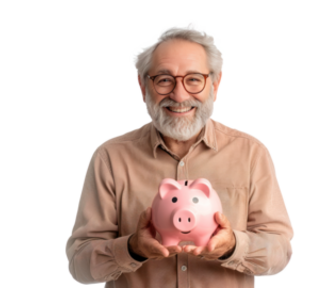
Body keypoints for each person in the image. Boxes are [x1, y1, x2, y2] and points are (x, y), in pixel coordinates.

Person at [64, 20, 295, 287]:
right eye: (164, 80)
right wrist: (132, 249)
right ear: (142, 86)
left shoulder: (252, 153)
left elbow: (281, 253)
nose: (179, 95)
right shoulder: (110, 157)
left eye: (194, 79)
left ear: (216, 84)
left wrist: (233, 246)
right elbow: (78, 265)